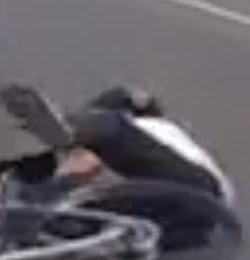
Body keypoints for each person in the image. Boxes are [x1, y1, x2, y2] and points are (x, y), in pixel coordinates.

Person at [63, 86, 235, 206]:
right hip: (211, 202)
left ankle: (70, 126)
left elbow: (90, 158)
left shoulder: (144, 126)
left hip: (194, 181)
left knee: (109, 129)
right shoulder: (170, 134)